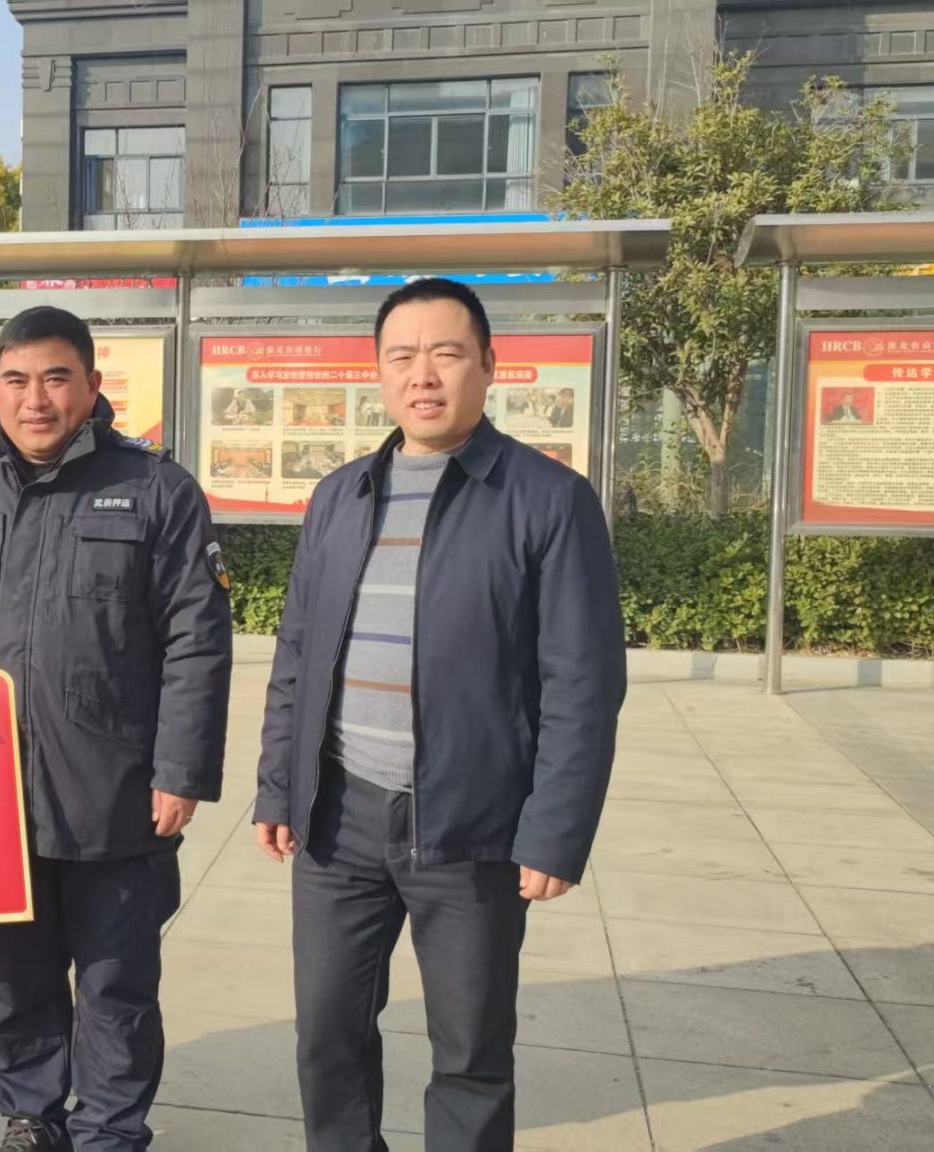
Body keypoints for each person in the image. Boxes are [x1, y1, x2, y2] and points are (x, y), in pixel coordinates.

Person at [254, 278, 627, 1152]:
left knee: (469, 1051)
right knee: (327, 1036)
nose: (422, 375)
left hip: (471, 825)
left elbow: (583, 683)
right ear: (380, 373)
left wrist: (556, 830)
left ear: (488, 366)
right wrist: (279, 786)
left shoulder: (548, 499)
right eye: (402, 356)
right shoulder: (340, 494)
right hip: (339, 818)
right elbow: (298, 653)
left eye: (446, 353)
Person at [0, 305, 234, 1152]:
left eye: (55, 378)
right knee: (15, 980)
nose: (35, 398)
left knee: (116, 985)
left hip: (114, 789)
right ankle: (32, 1116)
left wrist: (181, 771)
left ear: (91, 386)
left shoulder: (155, 490)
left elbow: (198, 637)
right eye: (16, 380)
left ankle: (111, 1131)